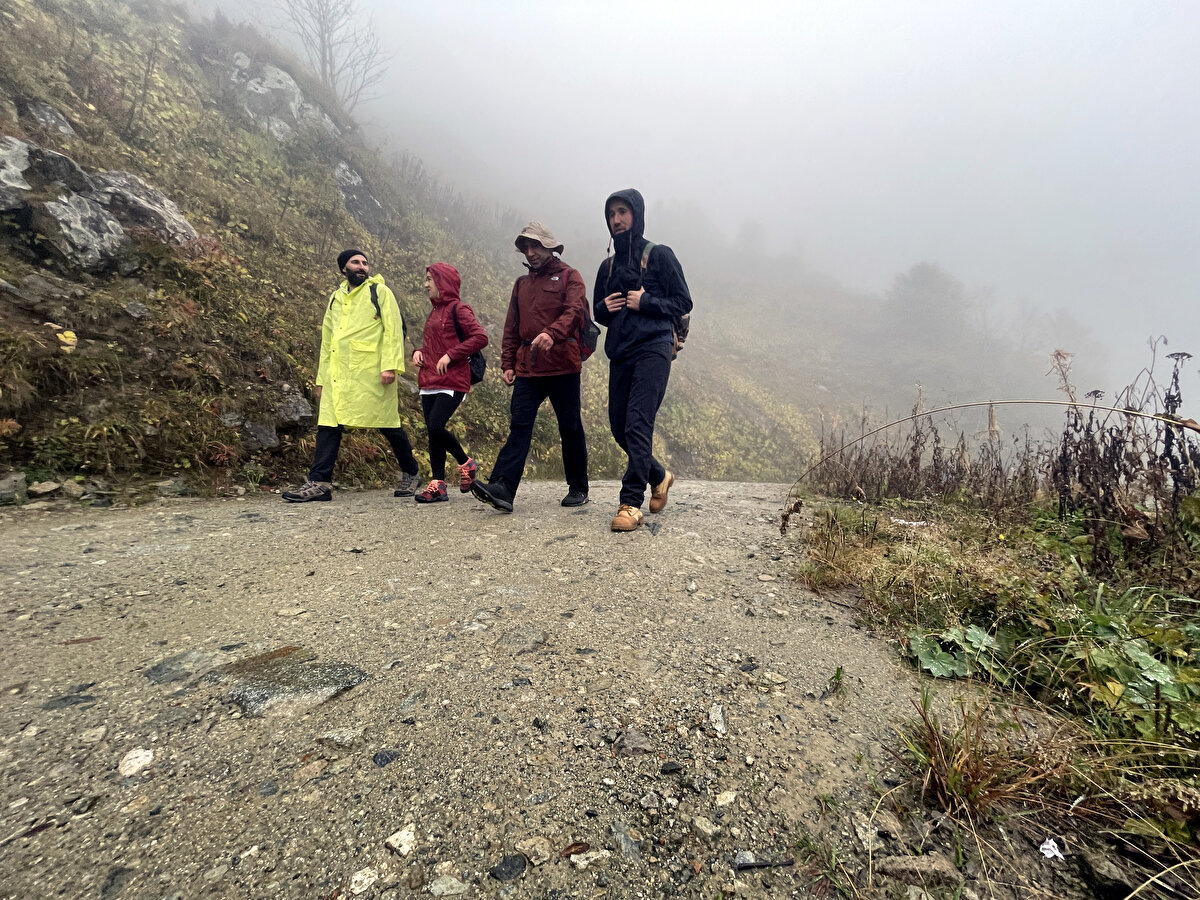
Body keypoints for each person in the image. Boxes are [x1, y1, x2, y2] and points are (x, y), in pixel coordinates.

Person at [282, 250, 421, 502]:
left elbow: (393, 330)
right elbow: (328, 340)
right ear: (343, 268)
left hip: (371, 371)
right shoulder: (335, 298)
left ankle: (411, 472)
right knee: (328, 425)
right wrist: (321, 379)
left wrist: (390, 366)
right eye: (355, 262)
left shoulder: (379, 292)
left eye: (365, 263)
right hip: (338, 374)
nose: (362, 267)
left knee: (388, 423)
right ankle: (320, 482)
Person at [471, 223, 589, 513]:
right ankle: (503, 488)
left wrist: (552, 333)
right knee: (519, 427)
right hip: (528, 367)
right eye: (526, 247)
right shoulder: (521, 284)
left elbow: (575, 311)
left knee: (570, 426)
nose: (531, 252)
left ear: (550, 246)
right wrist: (507, 362)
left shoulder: (570, 276)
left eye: (536, 245)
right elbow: (512, 325)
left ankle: (578, 487)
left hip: (562, 364)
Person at [593, 189, 692, 531]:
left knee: (637, 422)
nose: (616, 220)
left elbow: (682, 302)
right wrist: (602, 309)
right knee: (619, 426)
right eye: (611, 214)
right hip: (621, 351)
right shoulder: (607, 266)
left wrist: (646, 301)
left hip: (654, 347)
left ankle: (630, 503)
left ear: (636, 214)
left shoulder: (660, 255)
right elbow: (599, 312)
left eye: (622, 212)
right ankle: (659, 475)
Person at [410, 262, 487, 503]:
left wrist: (452, 355)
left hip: (453, 379)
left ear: (442, 282)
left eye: (429, 280)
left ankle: (466, 463)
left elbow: (480, 337)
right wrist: (418, 351)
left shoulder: (459, 309)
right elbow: (434, 343)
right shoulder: (434, 312)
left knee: (435, 426)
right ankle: (438, 484)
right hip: (429, 378)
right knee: (433, 434)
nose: (425, 284)